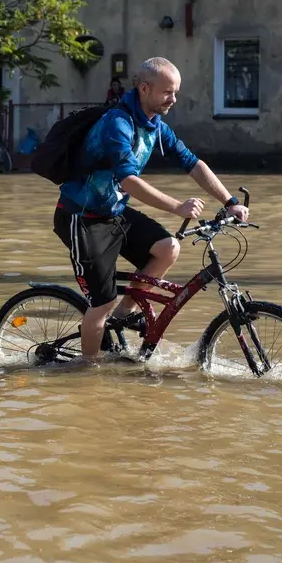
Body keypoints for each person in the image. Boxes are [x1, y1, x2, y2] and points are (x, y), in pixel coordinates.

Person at [53, 56, 249, 359]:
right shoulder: (118, 124)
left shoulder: (156, 126)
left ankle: (124, 314)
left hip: (114, 212)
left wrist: (229, 201)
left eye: (176, 92)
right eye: (167, 92)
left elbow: (192, 163)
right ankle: (87, 373)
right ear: (145, 88)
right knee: (101, 304)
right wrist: (178, 207)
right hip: (82, 218)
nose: (174, 99)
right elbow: (129, 181)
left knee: (168, 248)